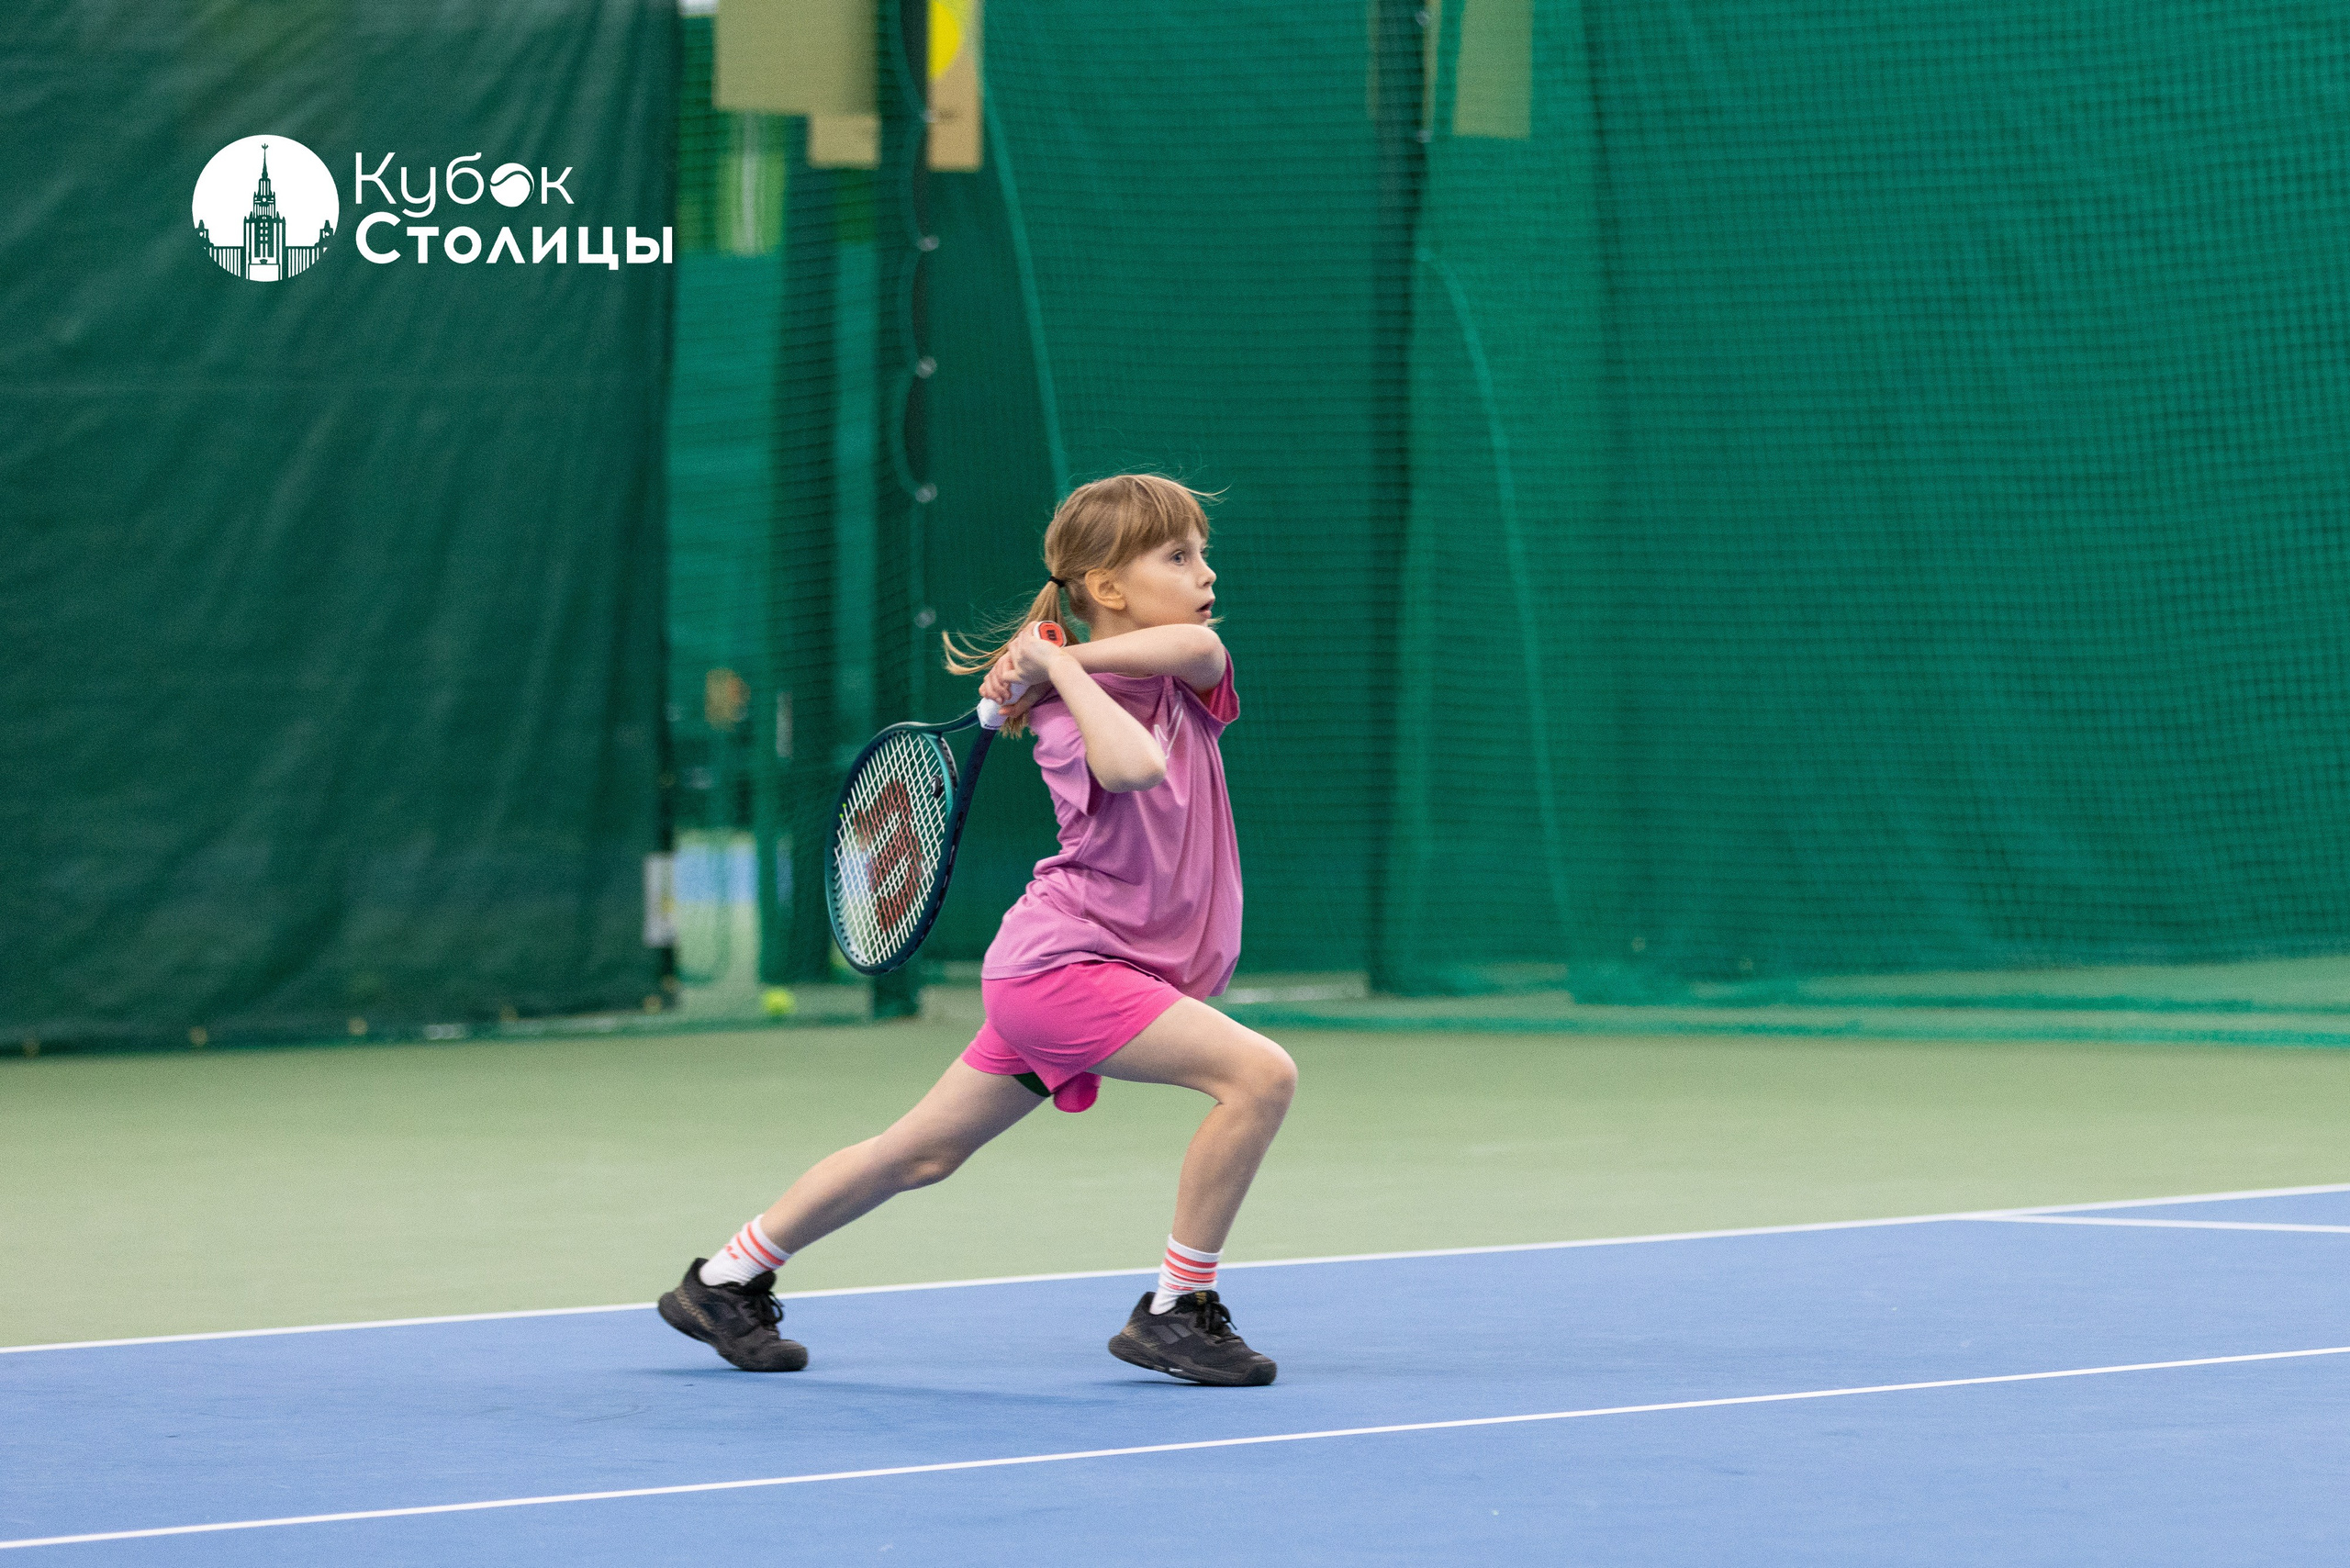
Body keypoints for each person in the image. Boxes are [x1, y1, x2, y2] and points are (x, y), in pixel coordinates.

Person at [658, 474, 1296, 1387]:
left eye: (1202, 552)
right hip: (1065, 970)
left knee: (919, 1153)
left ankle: (725, 1279)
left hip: (1095, 967)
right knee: (1259, 1076)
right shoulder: (1064, 716)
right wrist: (1058, 671)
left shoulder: (1191, 665)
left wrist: (1049, 659)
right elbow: (1135, 769)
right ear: (1106, 586)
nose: (1206, 571)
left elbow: (1194, 647)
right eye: (1177, 555)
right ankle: (1176, 1310)